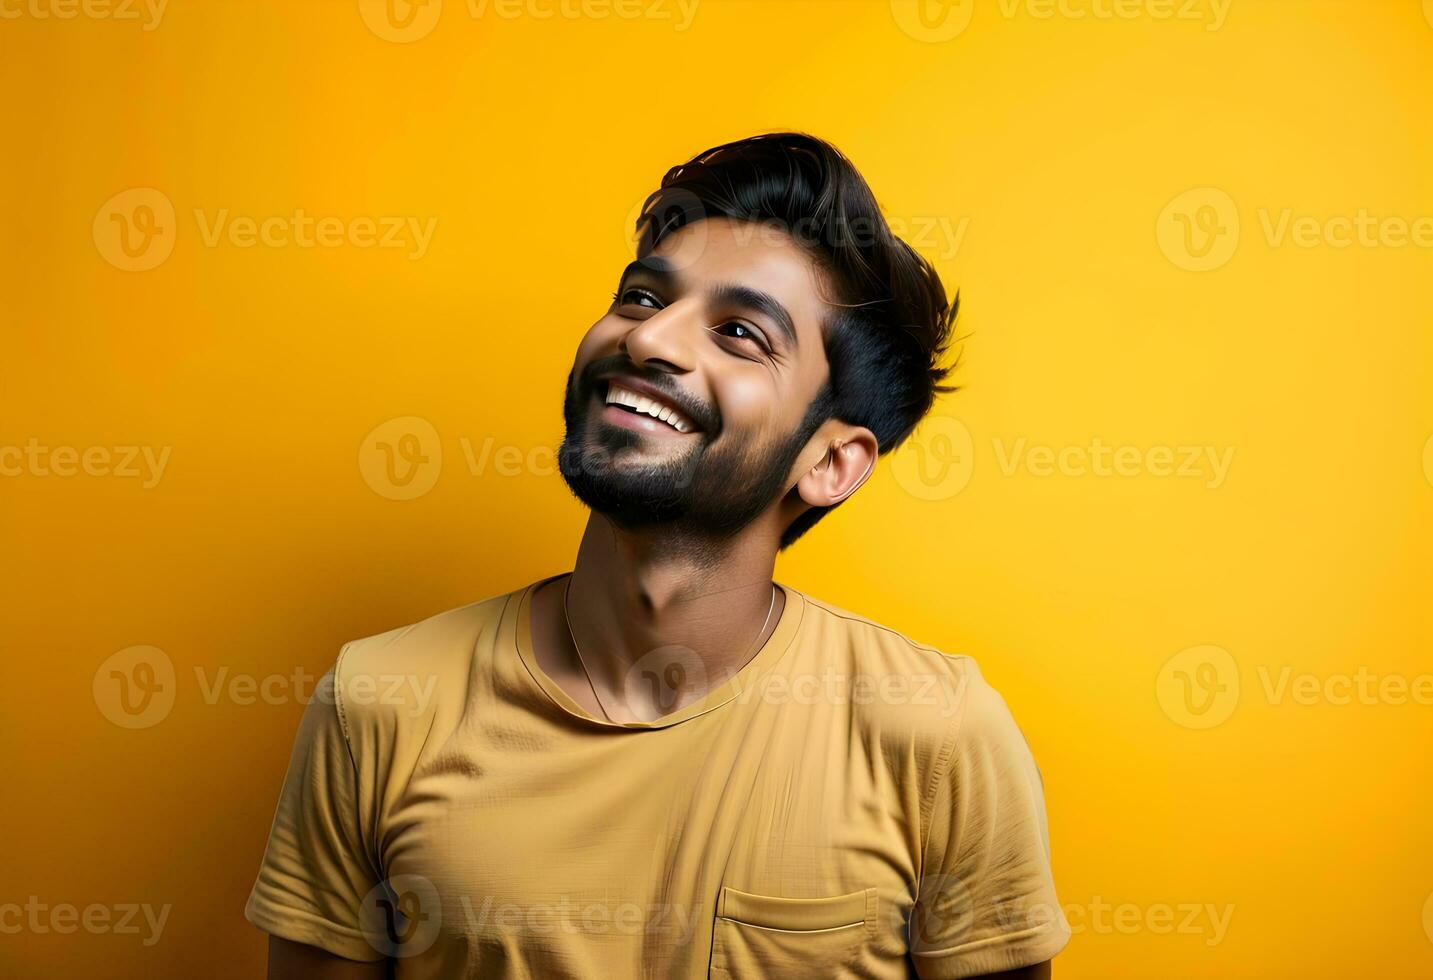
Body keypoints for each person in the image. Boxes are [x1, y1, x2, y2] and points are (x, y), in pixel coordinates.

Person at [245, 132, 1071, 978]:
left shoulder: (934, 734)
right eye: (641, 299)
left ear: (827, 463)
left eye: (740, 333)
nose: (649, 342)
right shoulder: (381, 699)